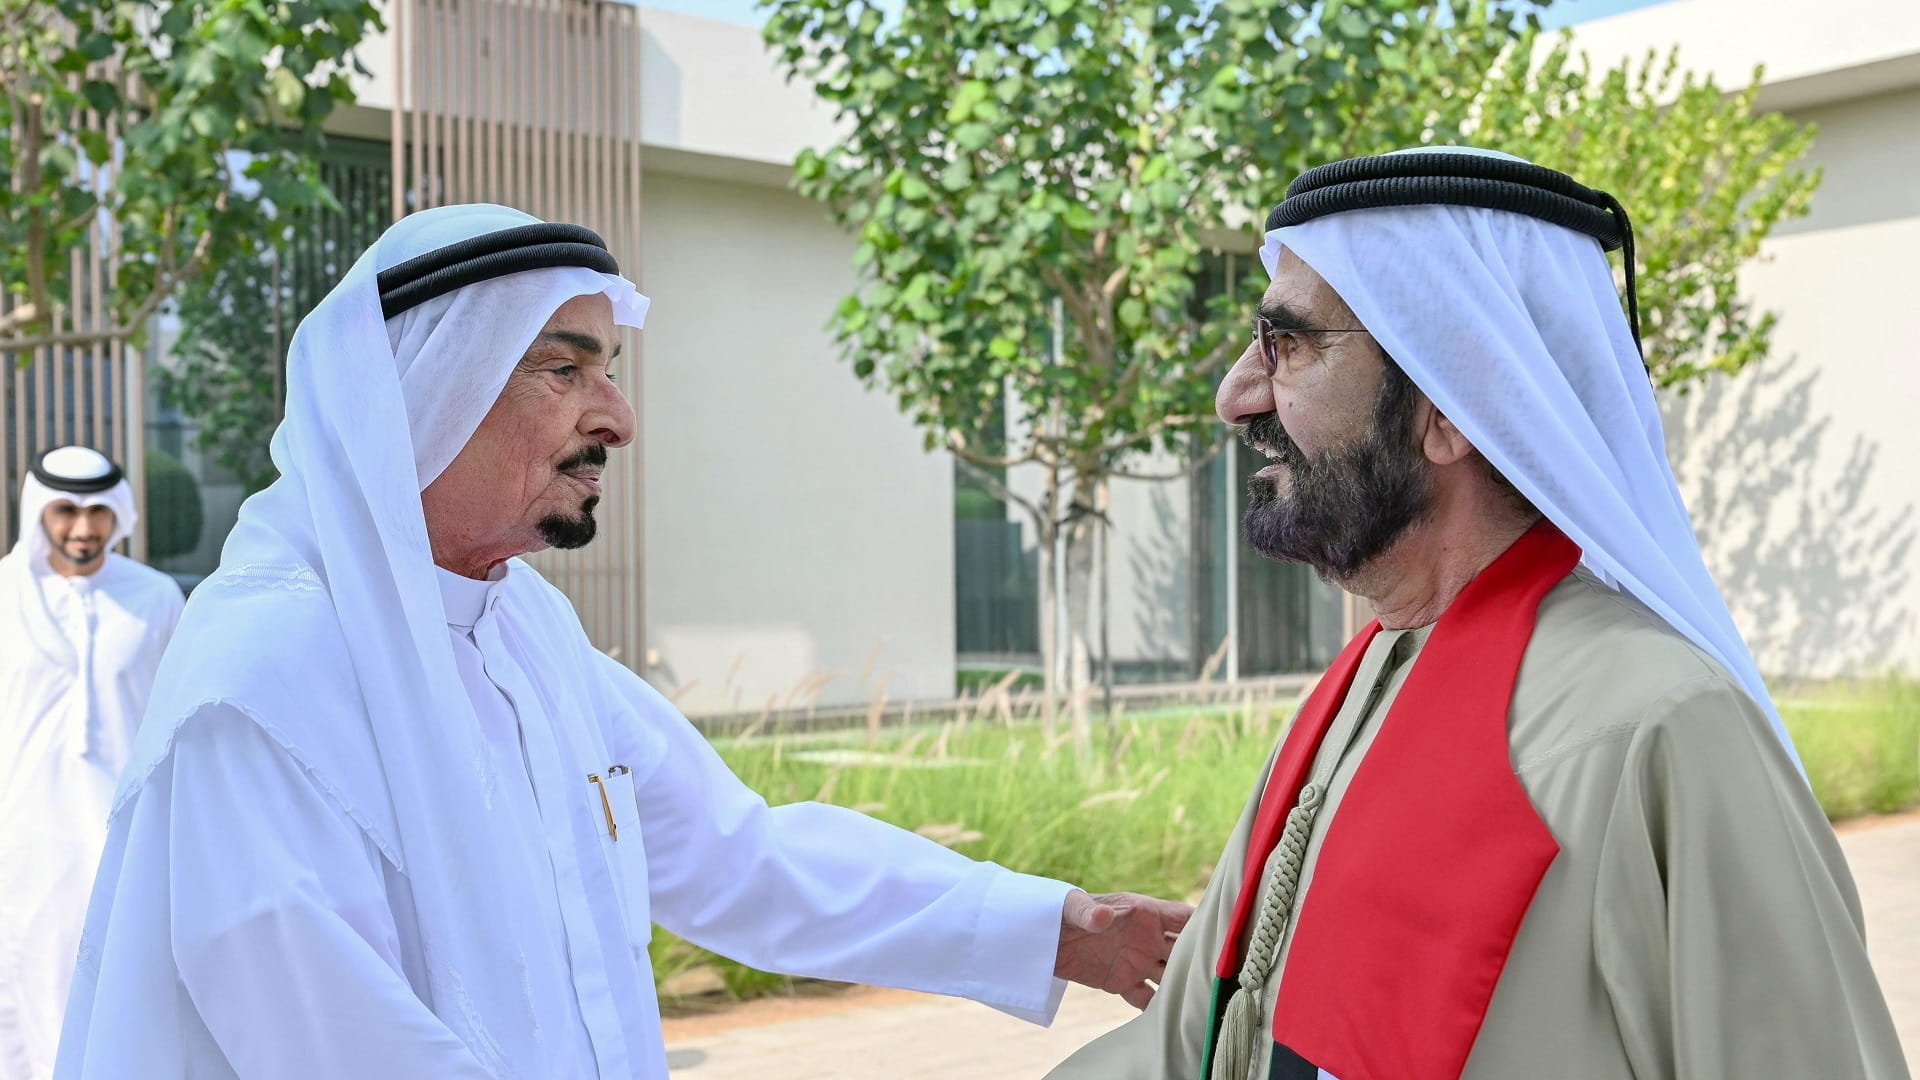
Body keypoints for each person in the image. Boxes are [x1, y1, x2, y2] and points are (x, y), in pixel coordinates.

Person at [55, 205, 1189, 1080]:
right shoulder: (265, 679)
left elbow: (740, 856)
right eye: (566, 369)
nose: (617, 416)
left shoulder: (524, 628)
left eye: (610, 369)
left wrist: (1055, 929)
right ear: (423, 390)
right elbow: (338, 1042)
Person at [1047, 148, 1909, 1080]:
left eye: (1289, 344)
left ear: (1449, 406)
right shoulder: (1354, 689)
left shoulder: (1661, 726)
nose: (1238, 397)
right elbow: (1196, 1049)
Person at [0, 446, 184, 1080]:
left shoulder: (156, 598)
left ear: (120, 514)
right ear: (37, 513)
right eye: (66, 511)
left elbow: (177, 727)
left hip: (125, 842)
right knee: (26, 1002)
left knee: (123, 998)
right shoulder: (3, 599)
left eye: (98, 512)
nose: (84, 528)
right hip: (22, 847)